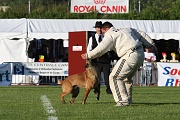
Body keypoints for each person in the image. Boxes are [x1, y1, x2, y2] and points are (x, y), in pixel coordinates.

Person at [81, 21, 157, 106]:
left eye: (103, 32)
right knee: (126, 79)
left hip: (130, 54)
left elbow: (102, 48)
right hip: (140, 53)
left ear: (105, 29)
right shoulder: (126, 29)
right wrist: (151, 45)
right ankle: (128, 99)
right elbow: (141, 34)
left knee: (114, 77)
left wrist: (89, 55)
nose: (103, 34)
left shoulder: (110, 34)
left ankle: (122, 101)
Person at [87, 21, 112, 94]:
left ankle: (108, 88)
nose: (99, 29)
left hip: (105, 59)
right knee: (97, 76)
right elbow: (89, 49)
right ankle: (97, 89)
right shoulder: (92, 38)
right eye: (97, 28)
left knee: (107, 75)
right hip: (96, 60)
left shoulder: (106, 37)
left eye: (100, 28)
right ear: (95, 29)